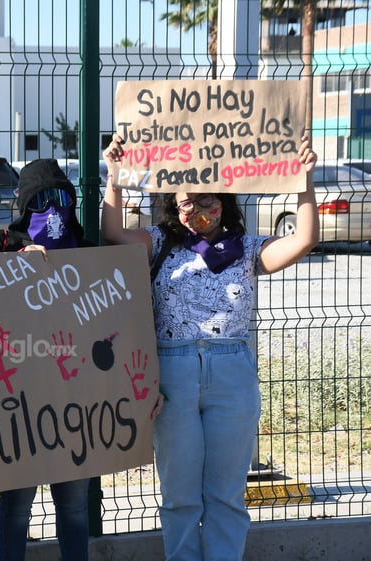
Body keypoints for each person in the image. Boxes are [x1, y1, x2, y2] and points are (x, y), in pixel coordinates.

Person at [101, 135, 319, 561]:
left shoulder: (247, 249)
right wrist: (115, 175)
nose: (198, 211)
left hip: (231, 375)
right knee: (180, 495)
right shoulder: (160, 243)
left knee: (225, 497)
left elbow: (304, 239)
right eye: (186, 203)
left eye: (207, 200)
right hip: (174, 374)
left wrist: (304, 180)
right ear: (172, 206)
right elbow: (111, 231)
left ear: (223, 199)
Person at [0, 158, 94, 561]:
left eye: (60, 198)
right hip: (19, 402)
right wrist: (14, 266)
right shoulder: (0, 245)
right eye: (40, 201)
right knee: (16, 504)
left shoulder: (88, 250)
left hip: (74, 397)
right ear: (24, 205)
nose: (52, 209)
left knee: (74, 504)